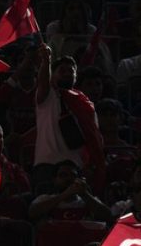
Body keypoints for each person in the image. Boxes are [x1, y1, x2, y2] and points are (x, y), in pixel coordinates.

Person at [34, 46, 105, 188]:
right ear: (52, 75)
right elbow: (43, 82)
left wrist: (90, 164)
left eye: (71, 71)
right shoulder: (48, 97)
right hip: (47, 164)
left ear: (76, 76)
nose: (67, 73)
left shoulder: (85, 103)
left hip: (76, 167)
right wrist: (46, 61)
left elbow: (92, 138)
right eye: (62, 71)